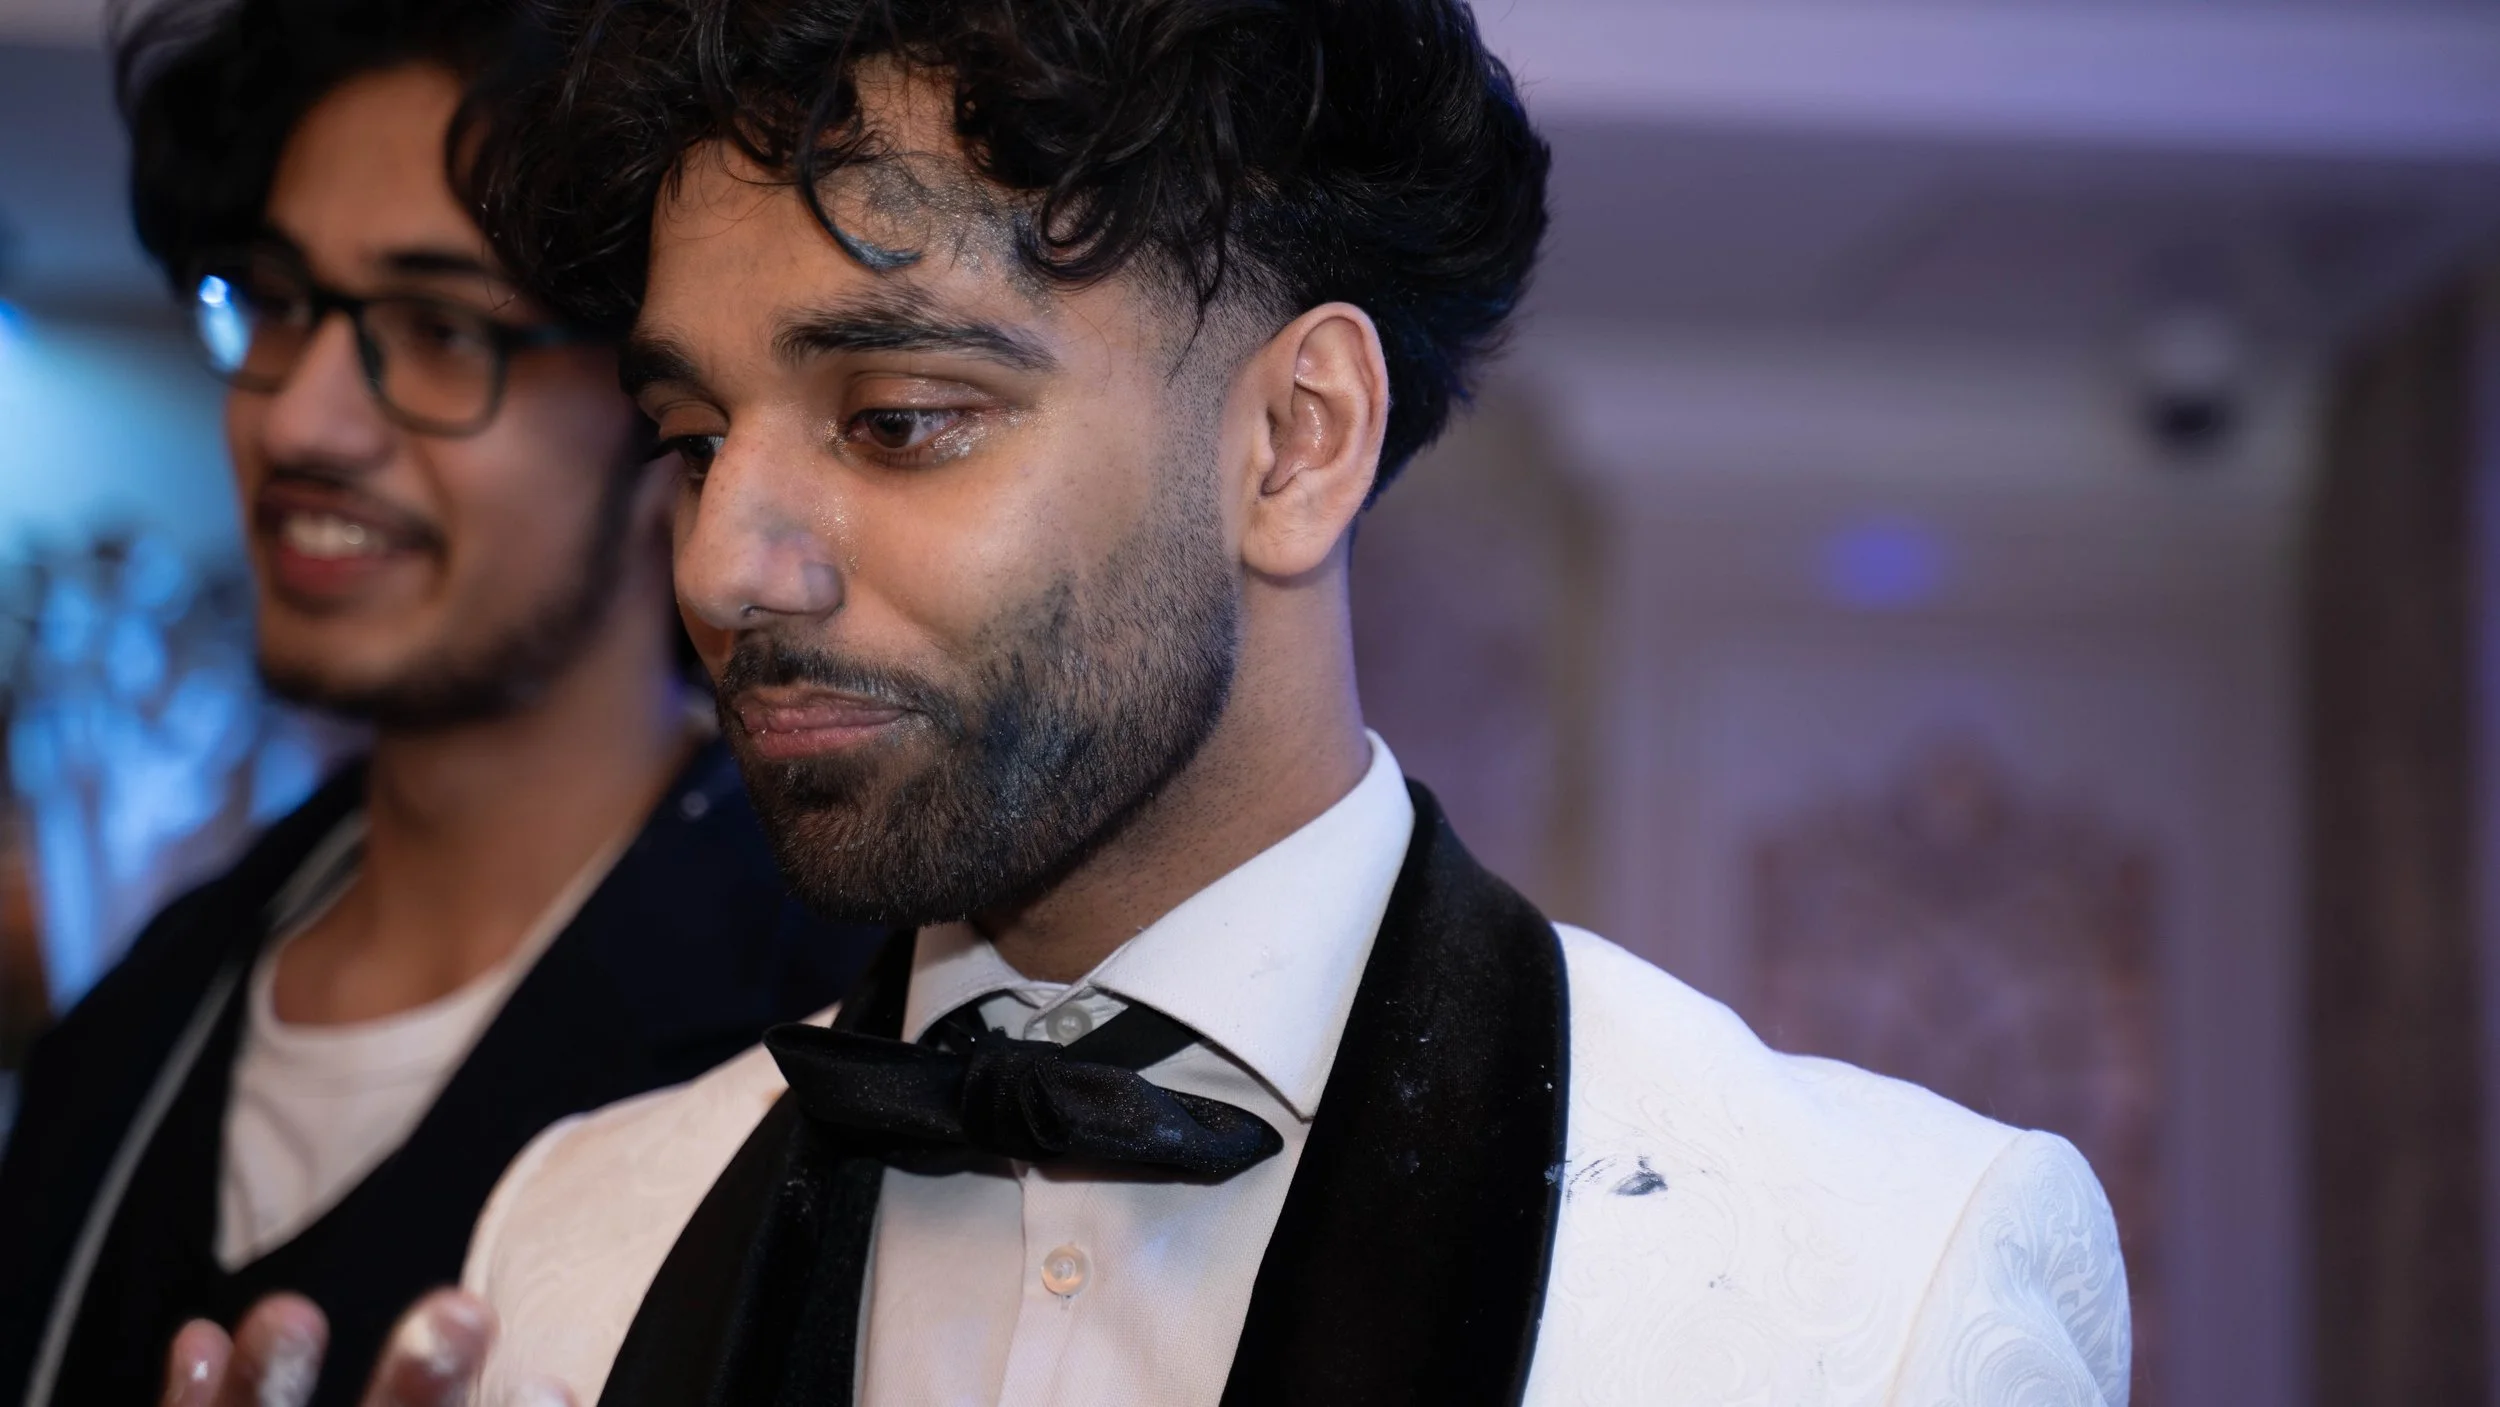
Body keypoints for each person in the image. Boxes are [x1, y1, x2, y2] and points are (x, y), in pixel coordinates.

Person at [168, 0, 2135, 1403]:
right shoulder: (573, 1243)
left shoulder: (1886, 1278)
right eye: (693, 436)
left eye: (897, 418)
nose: (723, 564)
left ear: (1295, 440)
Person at [0, 1, 885, 1403]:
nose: (302, 421)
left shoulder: (848, 1034)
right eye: (277, 301)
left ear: (667, 412)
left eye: (439, 328)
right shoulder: (129, 1035)